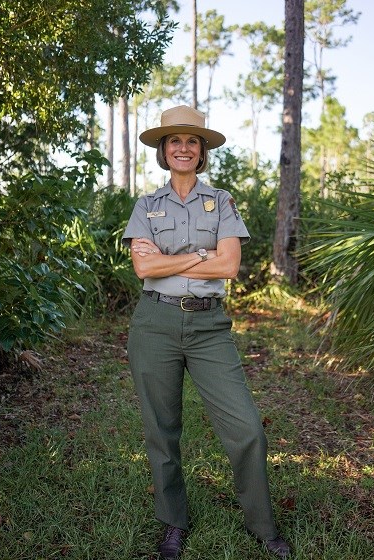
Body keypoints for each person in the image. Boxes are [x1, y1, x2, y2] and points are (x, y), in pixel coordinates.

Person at [122, 105, 290, 559]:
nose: (182, 147)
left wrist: (170, 258)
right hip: (154, 324)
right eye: (174, 140)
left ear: (202, 152)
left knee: (247, 427)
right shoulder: (146, 206)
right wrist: (201, 253)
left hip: (209, 326)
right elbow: (143, 266)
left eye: (191, 141)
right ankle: (174, 522)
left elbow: (230, 265)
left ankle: (262, 525)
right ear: (163, 150)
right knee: (162, 429)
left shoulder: (222, 202)